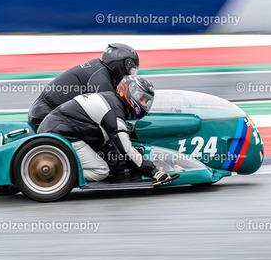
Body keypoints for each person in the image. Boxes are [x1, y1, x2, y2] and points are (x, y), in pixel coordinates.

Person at [37, 76, 178, 185]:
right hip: (59, 135)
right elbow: (127, 152)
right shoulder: (115, 112)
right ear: (130, 93)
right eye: (142, 99)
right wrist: (154, 172)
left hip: (59, 129)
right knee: (101, 170)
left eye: (146, 101)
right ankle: (58, 176)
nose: (143, 104)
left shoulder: (112, 100)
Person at [28, 43, 140, 131]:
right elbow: (110, 110)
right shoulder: (100, 76)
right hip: (44, 116)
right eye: (131, 70)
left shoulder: (99, 69)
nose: (131, 75)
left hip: (47, 114)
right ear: (120, 64)